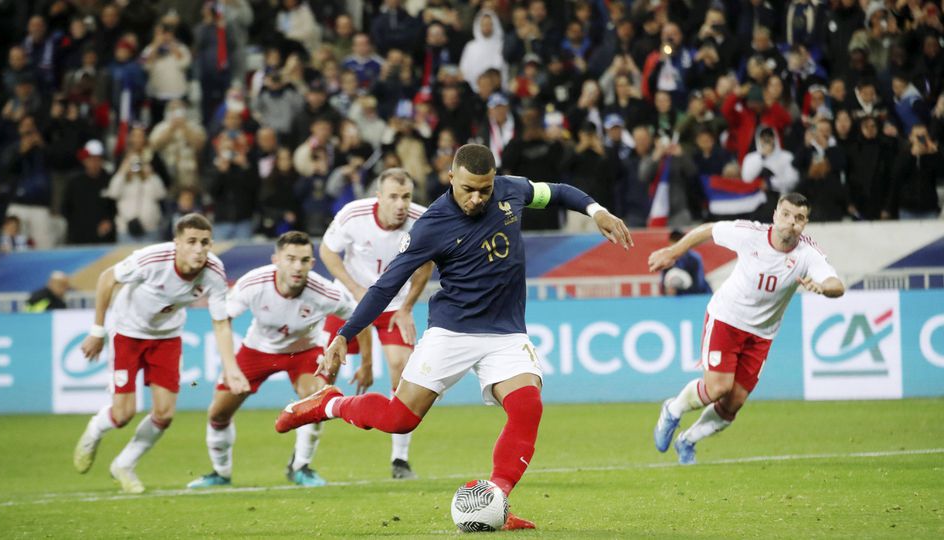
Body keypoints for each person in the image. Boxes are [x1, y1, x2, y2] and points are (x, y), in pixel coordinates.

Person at [275, 144, 632, 530]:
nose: (477, 198)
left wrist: (597, 211)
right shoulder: (431, 225)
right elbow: (385, 286)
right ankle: (330, 403)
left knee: (528, 406)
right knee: (399, 419)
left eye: (484, 189)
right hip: (452, 331)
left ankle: (494, 501)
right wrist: (346, 334)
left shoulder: (512, 191)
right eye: (467, 189)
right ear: (451, 179)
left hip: (506, 333)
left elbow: (559, 191)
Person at [649, 193, 845, 465]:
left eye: (799, 218)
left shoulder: (807, 253)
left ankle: (688, 440)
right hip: (727, 319)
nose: (791, 223)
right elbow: (709, 230)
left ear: (805, 223)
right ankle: (672, 409)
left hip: (762, 335)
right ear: (776, 215)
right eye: (786, 214)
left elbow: (837, 284)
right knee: (717, 388)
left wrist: (823, 287)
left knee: (733, 404)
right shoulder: (750, 234)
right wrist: (673, 252)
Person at [72, 213, 249, 494]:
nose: (199, 249)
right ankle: (95, 431)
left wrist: (231, 368)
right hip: (127, 333)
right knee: (123, 414)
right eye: (191, 241)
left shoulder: (214, 273)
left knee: (164, 414)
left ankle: (124, 465)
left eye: (205, 242)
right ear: (176, 243)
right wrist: (97, 330)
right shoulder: (152, 260)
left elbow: (220, 324)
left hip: (167, 337)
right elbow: (107, 279)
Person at [187, 231, 372, 489]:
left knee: (317, 401)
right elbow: (222, 320)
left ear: (312, 263)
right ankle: (221, 472)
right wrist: (230, 367)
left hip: (304, 353)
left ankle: (301, 467)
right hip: (257, 350)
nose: (297, 266)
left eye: (304, 260)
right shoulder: (253, 283)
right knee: (218, 413)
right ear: (276, 259)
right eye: (291, 259)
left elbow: (360, 319)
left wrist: (367, 364)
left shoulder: (325, 293)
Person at [319, 168, 433, 479]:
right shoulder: (352, 215)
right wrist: (354, 288)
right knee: (325, 373)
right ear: (378, 197)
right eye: (394, 197)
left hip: (393, 305)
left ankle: (400, 459)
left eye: (406, 196)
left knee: (403, 367)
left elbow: (426, 265)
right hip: (349, 302)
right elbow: (327, 251)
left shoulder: (422, 219)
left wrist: (408, 306)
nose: (401, 204)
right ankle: (301, 459)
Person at [660, 229, 712, 296]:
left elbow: (699, 284)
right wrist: (667, 291)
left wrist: (680, 291)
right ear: (670, 243)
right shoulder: (666, 260)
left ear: (683, 242)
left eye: (678, 241)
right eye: (673, 241)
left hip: (698, 297)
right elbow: (663, 286)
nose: (676, 244)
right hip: (675, 299)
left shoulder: (694, 259)